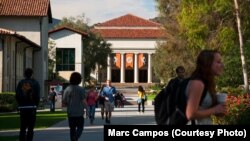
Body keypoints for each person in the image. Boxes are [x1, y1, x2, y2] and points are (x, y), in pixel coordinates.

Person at [185, 49, 227, 125]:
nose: (222, 65)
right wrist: (215, 110)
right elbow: (190, 114)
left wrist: (219, 110)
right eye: (218, 62)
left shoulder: (207, 83)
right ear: (207, 63)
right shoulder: (197, 83)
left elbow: (205, 110)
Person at [15, 68, 40, 141]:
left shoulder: (20, 83)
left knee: (22, 127)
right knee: (30, 128)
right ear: (32, 74)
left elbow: (17, 95)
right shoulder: (35, 83)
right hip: (32, 107)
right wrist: (36, 105)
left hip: (23, 108)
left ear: (24, 74)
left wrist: (20, 104)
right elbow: (37, 96)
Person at [62, 72, 88, 141]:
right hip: (79, 113)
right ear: (79, 80)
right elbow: (84, 102)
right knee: (80, 128)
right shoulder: (81, 89)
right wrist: (87, 111)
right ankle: (76, 137)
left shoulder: (67, 89)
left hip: (70, 113)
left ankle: (73, 138)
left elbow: (64, 102)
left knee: (72, 129)